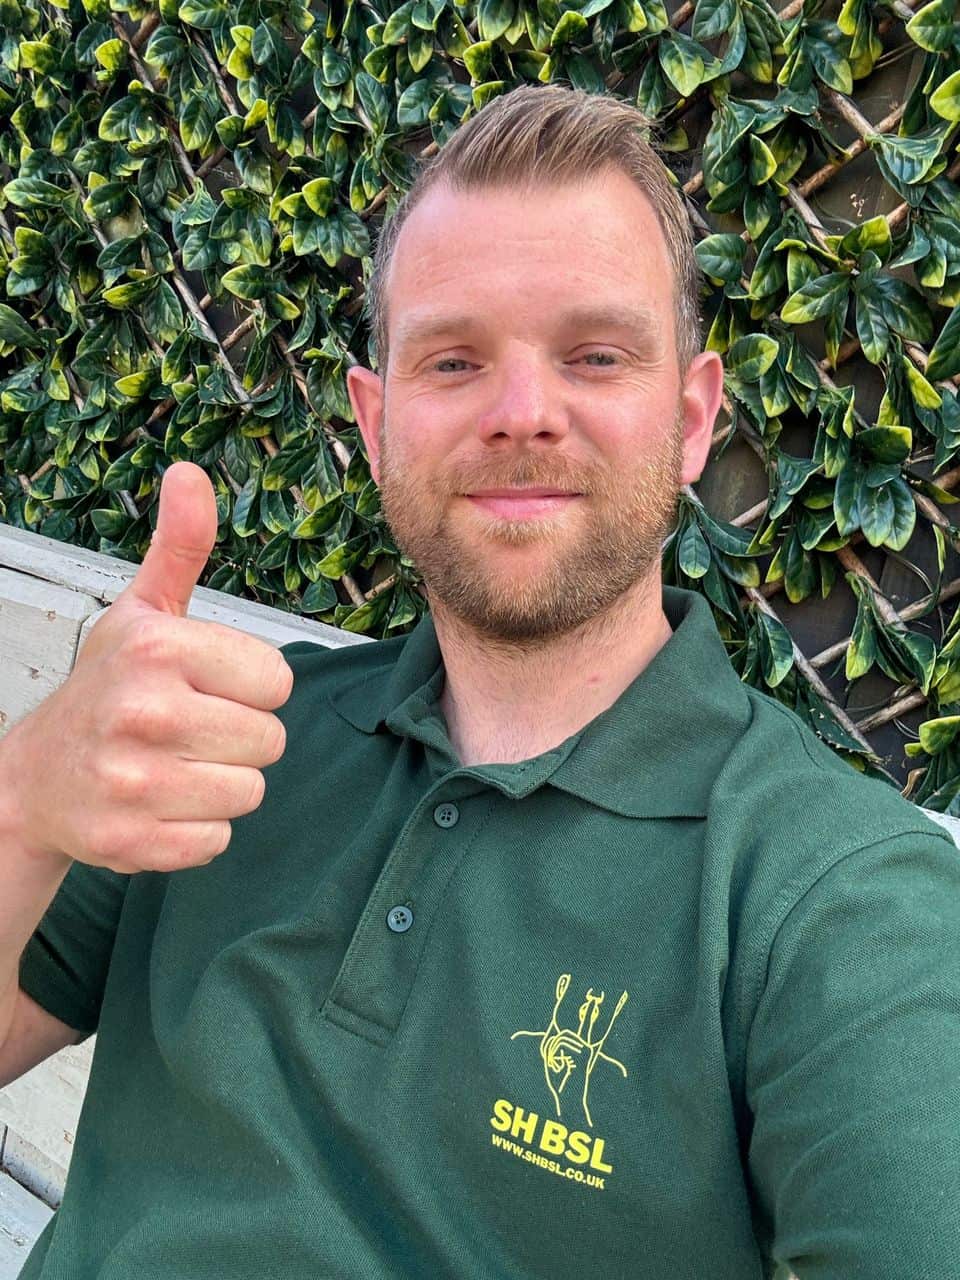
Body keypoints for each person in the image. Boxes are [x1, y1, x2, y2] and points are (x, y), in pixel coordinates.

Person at [0, 83, 958, 1280]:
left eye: (595, 354)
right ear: (375, 417)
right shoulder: (233, 732)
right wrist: (25, 797)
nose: (521, 415)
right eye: (454, 359)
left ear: (694, 415)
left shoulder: (832, 895)